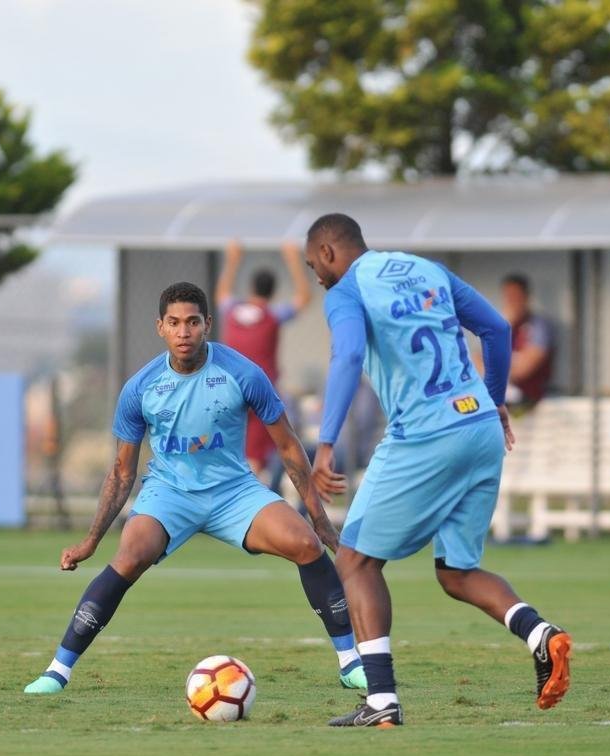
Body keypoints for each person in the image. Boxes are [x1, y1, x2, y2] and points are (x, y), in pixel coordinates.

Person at [23, 281, 366, 694]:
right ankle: (57, 671)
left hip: (234, 492)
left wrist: (320, 522)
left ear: (207, 324)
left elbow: (289, 447)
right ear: (160, 327)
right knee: (130, 556)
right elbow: (121, 472)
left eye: (192, 322)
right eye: (174, 323)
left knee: (306, 545)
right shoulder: (141, 388)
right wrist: (91, 540)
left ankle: (350, 662)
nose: (183, 332)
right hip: (169, 493)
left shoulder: (242, 373)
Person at [304, 213, 572, 728]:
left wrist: (327, 441)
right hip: (480, 428)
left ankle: (381, 702)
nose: (316, 276)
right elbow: (496, 328)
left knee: (355, 563)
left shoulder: (345, 291)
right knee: (457, 572)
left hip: (425, 434)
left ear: (329, 252)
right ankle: (541, 634)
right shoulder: (427, 270)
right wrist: (495, 401)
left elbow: (349, 354)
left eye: (314, 264)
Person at [216, 239, 312, 475]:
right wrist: (293, 260)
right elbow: (304, 298)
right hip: (261, 390)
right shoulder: (272, 315)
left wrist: (232, 261)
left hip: (230, 389)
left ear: (251, 287)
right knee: (256, 457)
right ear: (273, 292)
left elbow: (221, 294)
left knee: (229, 447)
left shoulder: (232, 312)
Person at [499, 273, 554, 411]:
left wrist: (496, 369)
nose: (511, 302)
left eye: (515, 296)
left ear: (526, 297)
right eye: (508, 297)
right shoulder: (502, 325)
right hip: (502, 396)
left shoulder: (539, 325)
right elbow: (478, 360)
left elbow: (523, 370)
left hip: (530, 397)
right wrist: (504, 326)